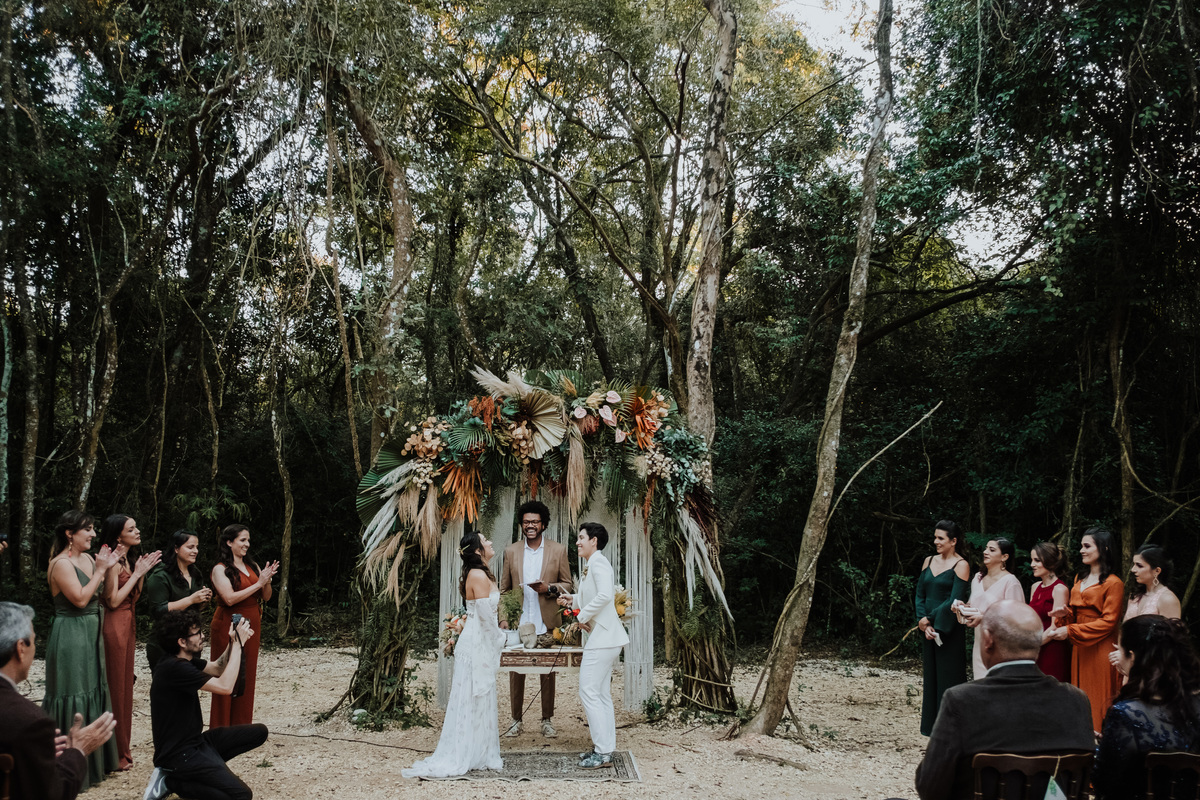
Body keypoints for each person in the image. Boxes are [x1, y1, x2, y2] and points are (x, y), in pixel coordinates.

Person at [914, 600, 1094, 800]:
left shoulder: (962, 701)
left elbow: (929, 787)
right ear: (1037, 642)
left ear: (988, 640)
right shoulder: (1076, 700)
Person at [403, 531, 506, 778]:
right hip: (476, 643)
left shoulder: (480, 572)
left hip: (478, 640)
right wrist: (502, 638)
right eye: (486, 540)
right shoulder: (478, 575)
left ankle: (479, 752)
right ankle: (466, 753)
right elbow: (486, 619)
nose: (490, 542)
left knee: (479, 697)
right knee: (472, 697)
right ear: (478, 550)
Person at [144, 609, 268, 800]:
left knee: (259, 732)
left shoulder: (183, 661)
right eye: (197, 633)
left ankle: (204, 768)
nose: (203, 636)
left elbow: (218, 668)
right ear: (182, 642)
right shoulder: (174, 668)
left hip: (197, 743)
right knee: (241, 795)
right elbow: (225, 686)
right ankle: (171, 781)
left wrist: (232, 642)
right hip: (179, 754)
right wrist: (238, 644)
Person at [0, 601, 117, 800]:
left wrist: (34, 752)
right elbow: (54, 794)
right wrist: (77, 751)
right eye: (34, 641)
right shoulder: (28, 722)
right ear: (20, 648)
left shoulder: (25, 729)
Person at [43, 509, 122, 789]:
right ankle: (67, 766)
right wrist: (100, 570)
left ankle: (97, 764)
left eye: (93, 528)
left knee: (93, 687)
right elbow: (79, 599)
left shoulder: (89, 559)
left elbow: (105, 596)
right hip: (71, 634)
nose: (93, 534)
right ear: (69, 534)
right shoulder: (61, 564)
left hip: (92, 631)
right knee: (73, 691)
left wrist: (109, 568)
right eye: (87, 529)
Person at [1094, 615, 1200, 800]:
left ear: (1132, 657)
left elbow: (1105, 783)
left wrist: (1097, 749)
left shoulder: (1126, 714)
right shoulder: (1195, 705)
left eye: (1120, 650)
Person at [557, 521, 630, 769]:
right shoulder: (593, 564)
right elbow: (594, 595)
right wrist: (574, 599)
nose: (577, 542)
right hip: (605, 637)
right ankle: (605, 748)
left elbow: (606, 596)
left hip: (604, 638)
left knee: (588, 690)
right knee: (600, 693)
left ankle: (602, 752)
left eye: (581, 538)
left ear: (593, 541)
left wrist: (581, 616)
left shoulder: (599, 563)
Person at [498, 499, 572, 738]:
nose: (530, 525)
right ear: (521, 524)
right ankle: (515, 720)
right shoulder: (511, 551)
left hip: (546, 622)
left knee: (548, 672)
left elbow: (569, 584)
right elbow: (504, 590)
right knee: (515, 671)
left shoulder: (558, 550)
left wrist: (548, 588)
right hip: (518, 622)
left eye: (535, 522)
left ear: (543, 524)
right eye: (526, 522)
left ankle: (547, 720)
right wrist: (504, 619)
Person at [1046, 526, 1124, 731]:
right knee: (1080, 695)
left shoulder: (1114, 583)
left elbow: (1109, 622)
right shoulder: (1078, 579)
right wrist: (1065, 615)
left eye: (1087, 546)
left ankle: (1100, 740)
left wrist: (1070, 631)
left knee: (1098, 696)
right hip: (1080, 646)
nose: (1081, 550)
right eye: (1081, 546)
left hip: (1100, 645)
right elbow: (1074, 614)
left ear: (1104, 548)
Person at [99, 513, 161, 770]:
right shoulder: (112, 563)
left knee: (126, 686)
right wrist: (137, 574)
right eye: (131, 529)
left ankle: (122, 750)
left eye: (136, 527)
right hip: (113, 625)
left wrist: (140, 572)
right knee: (115, 687)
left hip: (129, 622)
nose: (138, 531)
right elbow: (113, 601)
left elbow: (133, 597)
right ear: (118, 536)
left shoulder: (129, 560)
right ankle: (113, 754)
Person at [209, 524, 278, 727]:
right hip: (228, 624)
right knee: (226, 671)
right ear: (229, 542)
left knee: (246, 674)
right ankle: (221, 727)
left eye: (248, 540)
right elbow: (229, 598)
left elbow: (266, 597)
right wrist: (258, 583)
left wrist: (266, 580)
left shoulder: (252, 565)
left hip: (251, 624)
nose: (247, 544)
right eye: (242, 540)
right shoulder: (220, 569)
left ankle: (241, 727)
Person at [913, 520, 971, 736]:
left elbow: (954, 600)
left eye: (940, 538)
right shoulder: (928, 561)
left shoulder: (961, 565)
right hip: (927, 628)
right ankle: (932, 728)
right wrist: (921, 620)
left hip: (948, 628)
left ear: (953, 541)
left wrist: (930, 620)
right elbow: (920, 593)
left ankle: (953, 729)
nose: (935, 541)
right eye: (935, 537)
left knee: (949, 676)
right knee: (931, 677)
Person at [144, 530, 212, 669]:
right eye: (190, 547)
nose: (195, 551)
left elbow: (195, 609)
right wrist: (191, 599)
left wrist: (204, 600)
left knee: (191, 680)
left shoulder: (195, 573)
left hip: (191, 642)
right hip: (165, 643)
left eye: (197, 547)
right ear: (176, 548)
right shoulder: (160, 576)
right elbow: (159, 611)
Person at [961, 537, 1024, 679]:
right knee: (981, 686)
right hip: (980, 645)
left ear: (1004, 557)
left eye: (991, 549)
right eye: (985, 548)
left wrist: (983, 618)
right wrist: (962, 608)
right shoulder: (978, 578)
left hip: (1001, 647)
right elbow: (973, 606)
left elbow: (1017, 619)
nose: (985, 552)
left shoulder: (1010, 582)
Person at [1029, 541, 1070, 681]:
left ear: (1050, 562)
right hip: (1035, 647)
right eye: (1031, 560)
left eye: (1037, 560)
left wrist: (1030, 646)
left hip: (1052, 649)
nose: (1032, 564)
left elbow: (1055, 627)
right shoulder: (1035, 587)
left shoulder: (1059, 589)